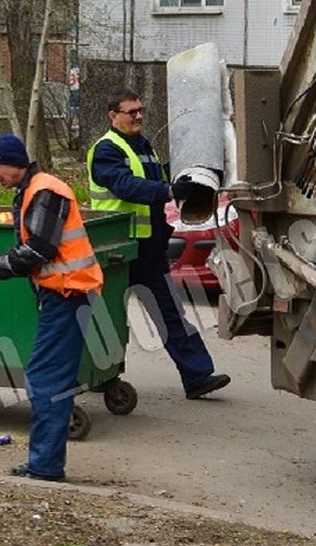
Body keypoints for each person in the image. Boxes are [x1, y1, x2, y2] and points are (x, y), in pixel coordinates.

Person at [0, 133, 102, 481]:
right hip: (64, 295)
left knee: (45, 380)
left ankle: (45, 467)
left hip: (67, 294)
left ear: (14, 162)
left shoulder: (44, 191)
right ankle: (45, 464)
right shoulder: (33, 191)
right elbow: (31, 246)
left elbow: (37, 252)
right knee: (48, 378)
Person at [88, 89, 230, 399]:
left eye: (140, 110)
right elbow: (125, 185)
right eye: (131, 112)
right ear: (113, 116)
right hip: (117, 250)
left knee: (171, 314)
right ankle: (96, 376)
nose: (139, 116)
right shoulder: (107, 149)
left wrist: (185, 174)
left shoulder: (142, 146)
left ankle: (197, 377)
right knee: (107, 319)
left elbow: (155, 175)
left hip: (147, 249)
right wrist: (168, 190)